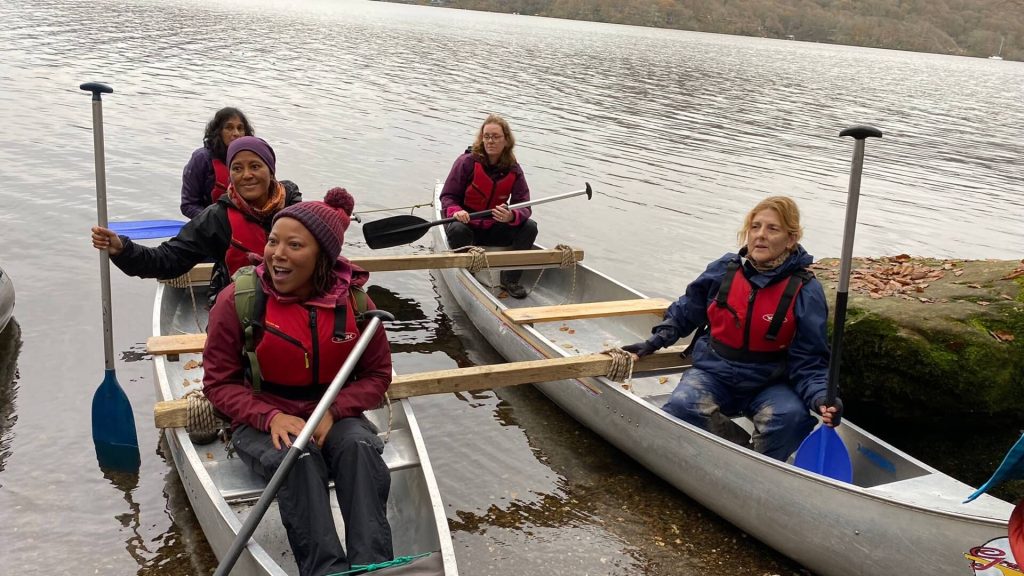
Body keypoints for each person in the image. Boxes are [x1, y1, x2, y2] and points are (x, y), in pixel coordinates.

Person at [203, 190, 393, 576]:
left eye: (294, 245)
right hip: (264, 416)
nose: (277, 254)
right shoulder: (237, 301)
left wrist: (335, 411)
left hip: (333, 413)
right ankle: (326, 570)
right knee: (299, 459)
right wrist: (269, 416)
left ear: (322, 256)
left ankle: (373, 567)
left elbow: (376, 376)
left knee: (359, 447)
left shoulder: (357, 305)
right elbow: (219, 384)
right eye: (273, 241)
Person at [623, 196, 842, 461]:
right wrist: (655, 341)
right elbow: (686, 311)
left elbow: (810, 360)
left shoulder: (806, 290)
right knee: (683, 405)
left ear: (791, 238)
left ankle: (756, 464)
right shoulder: (722, 271)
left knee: (791, 418)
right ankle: (742, 456)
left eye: (772, 229)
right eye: (755, 227)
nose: (760, 235)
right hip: (714, 372)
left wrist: (822, 397)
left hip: (769, 381)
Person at [91, 136, 302, 302]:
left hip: (291, 306)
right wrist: (122, 250)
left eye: (255, 166)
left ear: (271, 170)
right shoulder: (216, 217)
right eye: (237, 168)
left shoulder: (296, 208)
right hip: (239, 317)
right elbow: (166, 260)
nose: (246, 175)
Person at [439, 114, 538, 299]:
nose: (490, 141)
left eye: (496, 137)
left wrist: (511, 216)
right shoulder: (466, 163)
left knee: (530, 227)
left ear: (506, 140)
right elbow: (447, 196)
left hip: (493, 226)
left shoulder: (513, 169)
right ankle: (470, 272)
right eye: (486, 136)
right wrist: (456, 211)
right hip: (466, 225)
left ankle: (510, 279)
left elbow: (524, 205)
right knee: (458, 230)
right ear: (481, 138)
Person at [180, 107, 254, 218]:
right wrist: (214, 222)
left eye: (240, 128)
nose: (236, 133)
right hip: (211, 225)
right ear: (218, 131)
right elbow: (188, 205)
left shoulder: (253, 159)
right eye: (229, 128)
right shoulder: (201, 158)